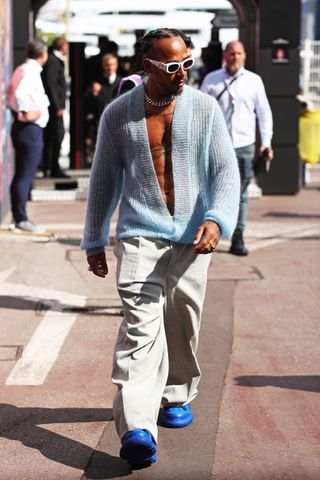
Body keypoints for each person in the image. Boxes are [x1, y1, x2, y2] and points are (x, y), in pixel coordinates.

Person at [81, 28, 240, 469]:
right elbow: (103, 181)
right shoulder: (120, 116)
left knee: (182, 322)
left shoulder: (205, 110)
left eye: (187, 63)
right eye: (172, 66)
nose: (182, 73)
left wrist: (217, 219)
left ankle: (176, 393)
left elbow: (226, 173)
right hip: (138, 235)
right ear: (146, 65)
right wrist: (94, 237)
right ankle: (136, 427)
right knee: (140, 328)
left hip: (191, 238)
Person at [201, 40, 273, 256]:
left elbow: (264, 113)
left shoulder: (253, 81)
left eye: (239, 53)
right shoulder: (211, 80)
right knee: (212, 191)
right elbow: (201, 112)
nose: (235, 57)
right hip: (217, 145)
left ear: (244, 56)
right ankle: (209, 233)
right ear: (225, 55)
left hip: (244, 145)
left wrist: (266, 143)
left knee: (240, 193)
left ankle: (238, 236)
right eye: (231, 53)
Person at [6, 39, 49, 233]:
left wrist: (17, 111)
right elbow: (20, 93)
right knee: (25, 174)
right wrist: (26, 111)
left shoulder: (22, 69)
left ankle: (19, 216)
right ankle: (20, 218)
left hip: (25, 127)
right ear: (43, 54)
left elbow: (9, 93)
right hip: (29, 128)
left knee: (23, 173)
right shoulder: (30, 71)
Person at [85, 54, 122, 163]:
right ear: (103, 66)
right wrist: (94, 94)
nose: (110, 67)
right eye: (107, 65)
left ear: (116, 65)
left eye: (112, 65)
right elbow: (87, 103)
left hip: (118, 121)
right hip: (101, 121)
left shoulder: (122, 82)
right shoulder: (96, 82)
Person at [41, 36, 69, 178]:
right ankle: (52, 167)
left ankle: (50, 167)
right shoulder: (53, 60)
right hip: (54, 108)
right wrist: (57, 105)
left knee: (54, 135)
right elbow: (51, 83)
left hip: (55, 106)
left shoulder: (54, 60)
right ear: (62, 46)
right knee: (57, 135)